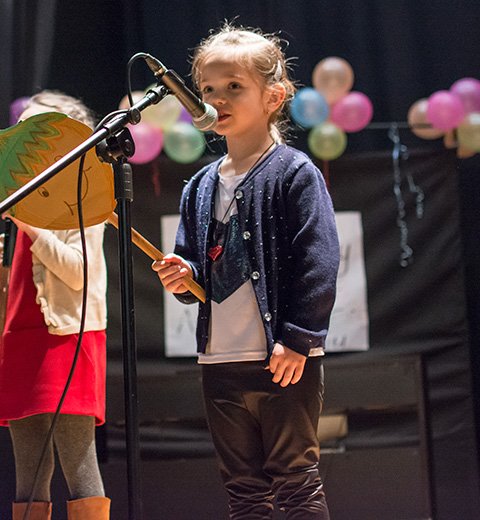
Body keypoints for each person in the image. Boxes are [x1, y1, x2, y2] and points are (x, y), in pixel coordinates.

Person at [152, 24, 339, 519]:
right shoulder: (198, 186)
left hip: (282, 357)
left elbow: (318, 260)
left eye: (234, 86)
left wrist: (298, 338)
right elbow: (196, 270)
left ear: (273, 95)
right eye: (208, 90)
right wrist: (182, 275)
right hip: (220, 360)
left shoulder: (295, 173)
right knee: (243, 491)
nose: (218, 99)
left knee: (296, 481)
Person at [0, 91, 110, 520]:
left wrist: (34, 227)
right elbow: (19, 289)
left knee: (79, 466)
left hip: (67, 341)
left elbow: (79, 272)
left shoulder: (84, 199)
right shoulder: (22, 201)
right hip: (21, 340)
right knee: (29, 474)